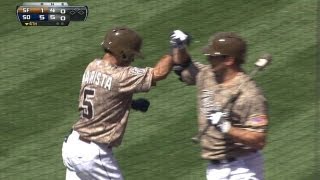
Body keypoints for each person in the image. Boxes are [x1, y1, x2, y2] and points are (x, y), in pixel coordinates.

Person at [62, 26, 174, 180]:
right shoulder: (121, 76)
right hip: (93, 154)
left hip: (72, 146)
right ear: (123, 53)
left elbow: (102, 96)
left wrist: (130, 103)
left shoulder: (92, 66)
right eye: (132, 54)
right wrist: (175, 49)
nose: (132, 59)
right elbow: (159, 73)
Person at [170, 30, 269, 180]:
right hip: (215, 170)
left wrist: (226, 127)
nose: (208, 58)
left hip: (242, 169)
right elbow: (184, 64)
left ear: (229, 60)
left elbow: (259, 140)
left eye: (213, 56)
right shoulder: (206, 75)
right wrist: (180, 46)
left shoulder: (250, 94)